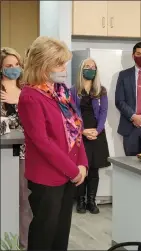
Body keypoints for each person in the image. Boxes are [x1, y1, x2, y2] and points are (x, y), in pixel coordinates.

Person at [17, 36, 88, 251]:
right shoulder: (30, 97)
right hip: (47, 178)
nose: (64, 67)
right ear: (43, 64)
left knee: (60, 234)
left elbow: (76, 131)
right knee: (44, 235)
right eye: (59, 63)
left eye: (64, 62)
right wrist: (72, 170)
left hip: (69, 174)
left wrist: (82, 164)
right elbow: (42, 142)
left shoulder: (62, 92)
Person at [0, 47, 32, 249]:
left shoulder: (27, 89)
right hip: (6, 154)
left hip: (27, 153)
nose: (13, 69)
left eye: (16, 65)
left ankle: (24, 242)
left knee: (25, 200)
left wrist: (19, 102)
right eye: (8, 66)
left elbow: (34, 119)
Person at [71, 58, 110, 214]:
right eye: (87, 67)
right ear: (81, 69)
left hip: (97, 134)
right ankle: (80, 201)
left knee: (94, 170)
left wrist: (97, 130)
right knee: (81, 169)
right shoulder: (73, 91)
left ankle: (91, 201)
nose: (90, 69)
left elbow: (103, 112)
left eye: (93, 67)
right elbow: (71, 114)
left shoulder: (101, 90)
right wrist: (83, 131)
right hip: (80, 134)